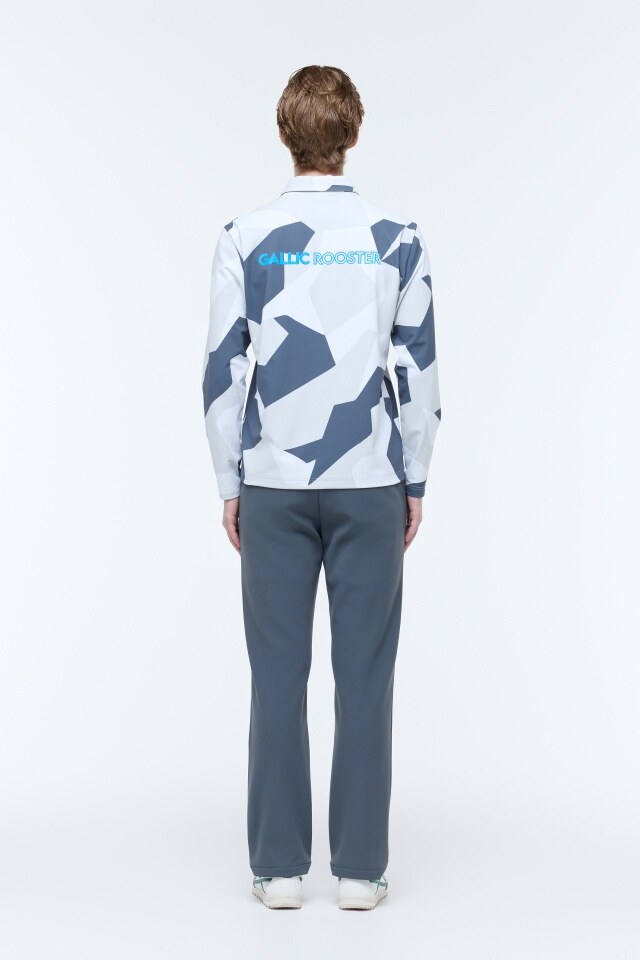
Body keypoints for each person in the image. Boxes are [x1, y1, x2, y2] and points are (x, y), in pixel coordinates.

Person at [202, 65, 441, 910]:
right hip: (370, 479)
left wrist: (229, 480)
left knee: (276, 676)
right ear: (353, 133)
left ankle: (277, 869)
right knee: (366, 677)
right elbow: (417, 368)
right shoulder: (396, 236)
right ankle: (360, 872)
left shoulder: (246, 236)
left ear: (284, 134)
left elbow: (224, 370)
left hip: (273, 482)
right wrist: (415, 476)